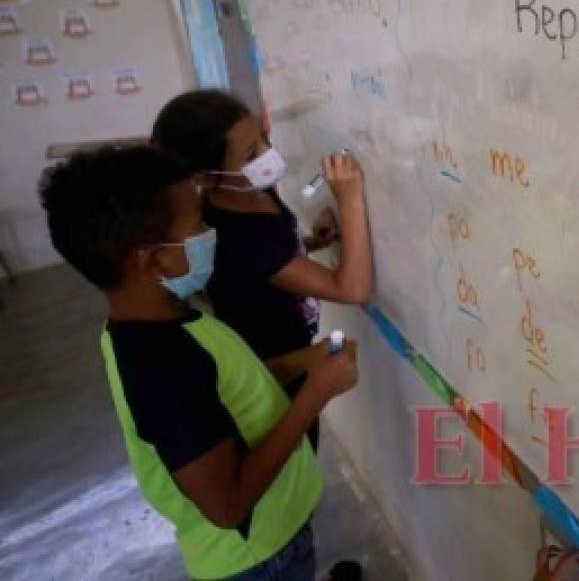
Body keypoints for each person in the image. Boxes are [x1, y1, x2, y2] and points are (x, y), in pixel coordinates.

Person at [39, 145, 359, 580]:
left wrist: (306, 361)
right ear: (150, 257)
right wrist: (315, 394)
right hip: (257, 558)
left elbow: (226, 388)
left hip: (276, 534)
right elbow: (227, 505)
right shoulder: (160, 365)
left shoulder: (161, 322)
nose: (211, 231)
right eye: (199, 223)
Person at [151, 90, 373, 440]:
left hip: (295, 349)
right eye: (251, 153)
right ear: (206, 177)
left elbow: (274, 256)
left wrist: (311, 242)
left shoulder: (251, 191)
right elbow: (352, 288)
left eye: (263, 138)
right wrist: (349, 198)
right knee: (293, 448)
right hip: (273, 371)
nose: (268, 154)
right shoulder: (234, 237)